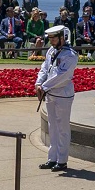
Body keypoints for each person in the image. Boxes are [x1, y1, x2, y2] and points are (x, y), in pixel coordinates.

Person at [36, 26, 77, 173]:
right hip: (51, 94)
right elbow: (44, 68)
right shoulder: (51, 51)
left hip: (63, 95)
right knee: (52, 127)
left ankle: (62, 160)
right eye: (51, 38)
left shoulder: (70, 55)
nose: (51, 41)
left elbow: (62, 76)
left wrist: (44, 87)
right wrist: (39, 83)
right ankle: (52, 158)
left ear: (62, 38)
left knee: (63, 128)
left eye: (54, 38)